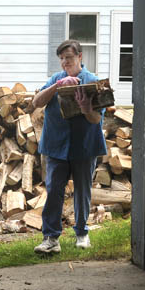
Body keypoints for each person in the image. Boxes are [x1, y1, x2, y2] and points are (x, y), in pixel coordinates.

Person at [31, 39, 107, 254]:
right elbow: (37, 102)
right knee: (54, 190)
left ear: (80, 57)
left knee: (82, 191)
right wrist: (57, 86)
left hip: (84, 146)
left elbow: (95, 120)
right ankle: (50, 238)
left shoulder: (92, 81)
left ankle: (82, 233)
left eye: (69, 58)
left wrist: (85, 108)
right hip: (56, 146)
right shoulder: (56, 79)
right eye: (62, 59)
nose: (65, 62)